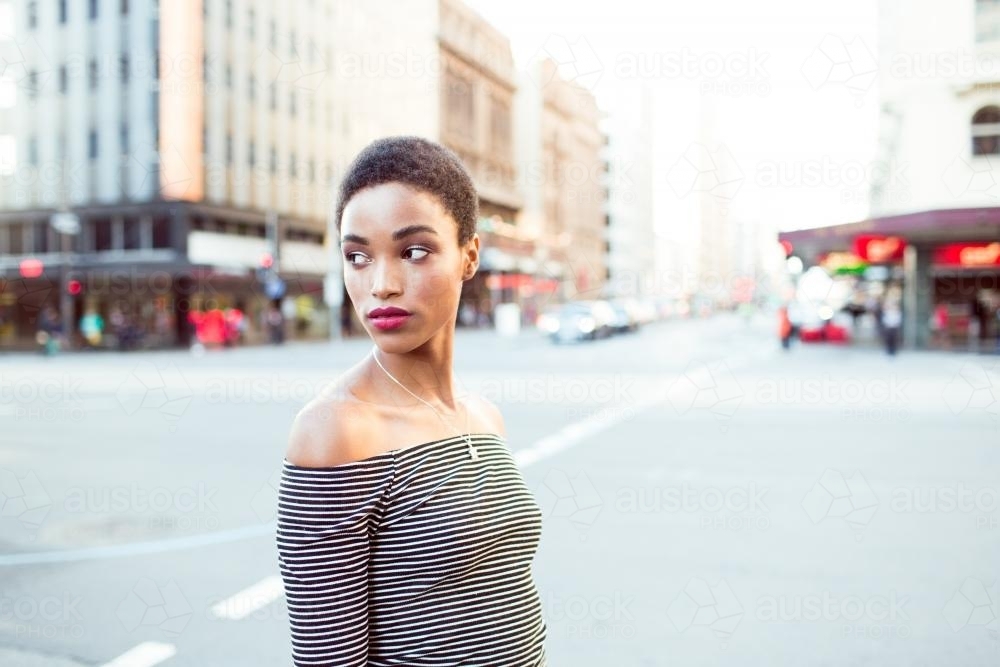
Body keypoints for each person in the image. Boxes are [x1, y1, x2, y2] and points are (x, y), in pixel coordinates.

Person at [276, 137, 547, 666]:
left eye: (414, 251)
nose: (381, 285)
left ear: (469, 255)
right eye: (357, 256)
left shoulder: (483, 417)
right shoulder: (335, 430)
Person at [881, 291, 903, 356]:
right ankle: (888, 350)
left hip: (894, 327)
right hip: (888, 327)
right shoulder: (887, 312)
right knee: (888, 340)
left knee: (894, 340)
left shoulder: (897, 312)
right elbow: (884, 319)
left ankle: (893, 351)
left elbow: (898, 319)